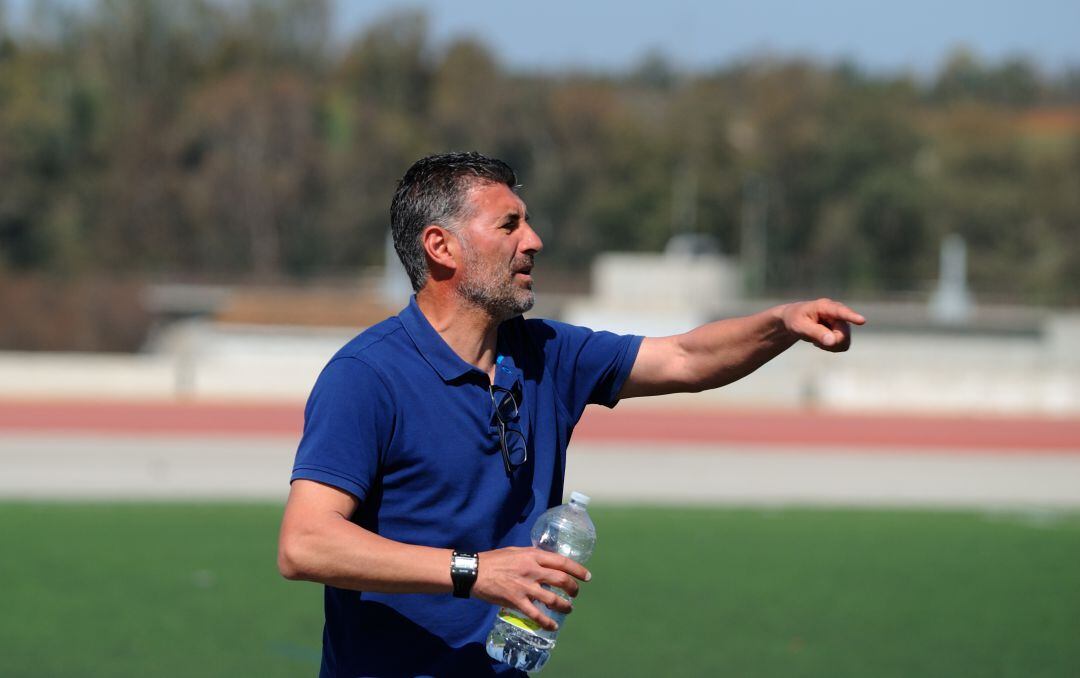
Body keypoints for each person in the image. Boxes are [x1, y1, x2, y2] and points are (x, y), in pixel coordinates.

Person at [278, 151, 866, 677]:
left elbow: (686, 358)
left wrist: (781, 323)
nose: (532, 240)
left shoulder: (549, 355)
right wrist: (473, 571)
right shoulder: (366, 376)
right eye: (509, 224)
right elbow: (304, 544)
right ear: (441, 247)